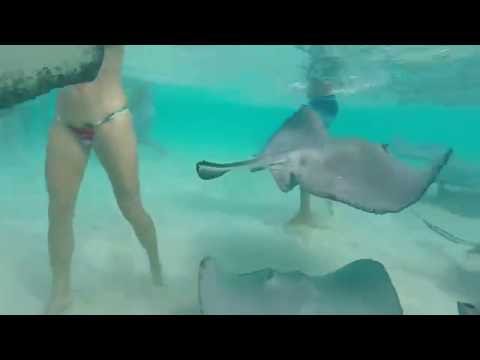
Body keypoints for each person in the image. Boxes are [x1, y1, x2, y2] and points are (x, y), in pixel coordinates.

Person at [45, 45, 161, 314]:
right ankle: (60, 291)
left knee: (130, 205)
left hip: (111, 119)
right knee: (59, 210)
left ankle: (156, 269)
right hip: (66, 123)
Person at [288, 47, 341, 228]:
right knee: (313, 156)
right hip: (324, 105)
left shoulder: (321, 58)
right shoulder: (321, 60)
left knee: (305, 160)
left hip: (321, 105)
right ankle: (326, 204)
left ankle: (305, 213)